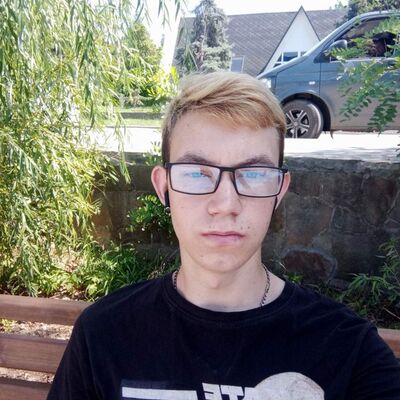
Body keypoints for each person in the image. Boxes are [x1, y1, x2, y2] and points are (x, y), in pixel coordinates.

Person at [48, 72, 400, 400]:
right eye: (196, 173)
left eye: (254, 173)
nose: (226, 204)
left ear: (279, 191)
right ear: (164, 187)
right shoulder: (104, 334)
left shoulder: (348, 350)